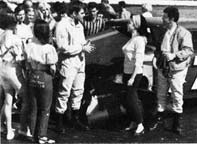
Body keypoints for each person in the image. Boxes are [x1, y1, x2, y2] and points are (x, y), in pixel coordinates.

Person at [151, 6, 194, 135]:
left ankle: (177, 123)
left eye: (164, 17)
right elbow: (158, 48)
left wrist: (174, 55)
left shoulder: (184, 33)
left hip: (176, 68)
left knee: (177, 94)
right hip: (162, 66)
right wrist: (156, 57)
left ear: (171, 19)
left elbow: (189, 51)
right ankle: (159, 119)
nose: (162, 19)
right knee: (161, 92)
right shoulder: (163, 31)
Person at [55, 2, 95, 132]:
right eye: (82, 13)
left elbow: (81, 41)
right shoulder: (62, 25)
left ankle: (75, 119)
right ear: (74, 13)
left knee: (78, 91)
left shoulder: (80, 26)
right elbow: (62, 47)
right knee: (64, 91)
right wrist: (82, 48)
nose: (85, 15)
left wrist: (86, 45)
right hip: (68, 63)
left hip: (80, 62)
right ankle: (59, 121)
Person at [25, 19, 57, 144]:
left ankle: (32, 134)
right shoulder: (49, 48)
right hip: (45, 76)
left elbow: (27, 64)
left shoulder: (29, 46)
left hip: (32, 76)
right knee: (45, 109)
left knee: (33, 107)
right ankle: (42, 135)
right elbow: (53, 68)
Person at [122, 14, 149, 136]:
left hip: (135, 74)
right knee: (129, 99)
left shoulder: (139, 40)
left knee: (132, 99)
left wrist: (132, 78)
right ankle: (134, 121)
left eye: (130, 23)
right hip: (127, 72)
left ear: (136, 25)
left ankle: (140, 124)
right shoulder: (133, 38)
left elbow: (139, 62)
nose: (128, 24)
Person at [0, 14, 23, 140]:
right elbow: (19, 59)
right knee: (26, 96)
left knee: (8, 100)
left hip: (2, 71)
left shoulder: (1, 35)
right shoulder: (15, 38)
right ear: (13, 25)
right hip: (12, 70)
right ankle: (26, 128)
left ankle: (7, 129)